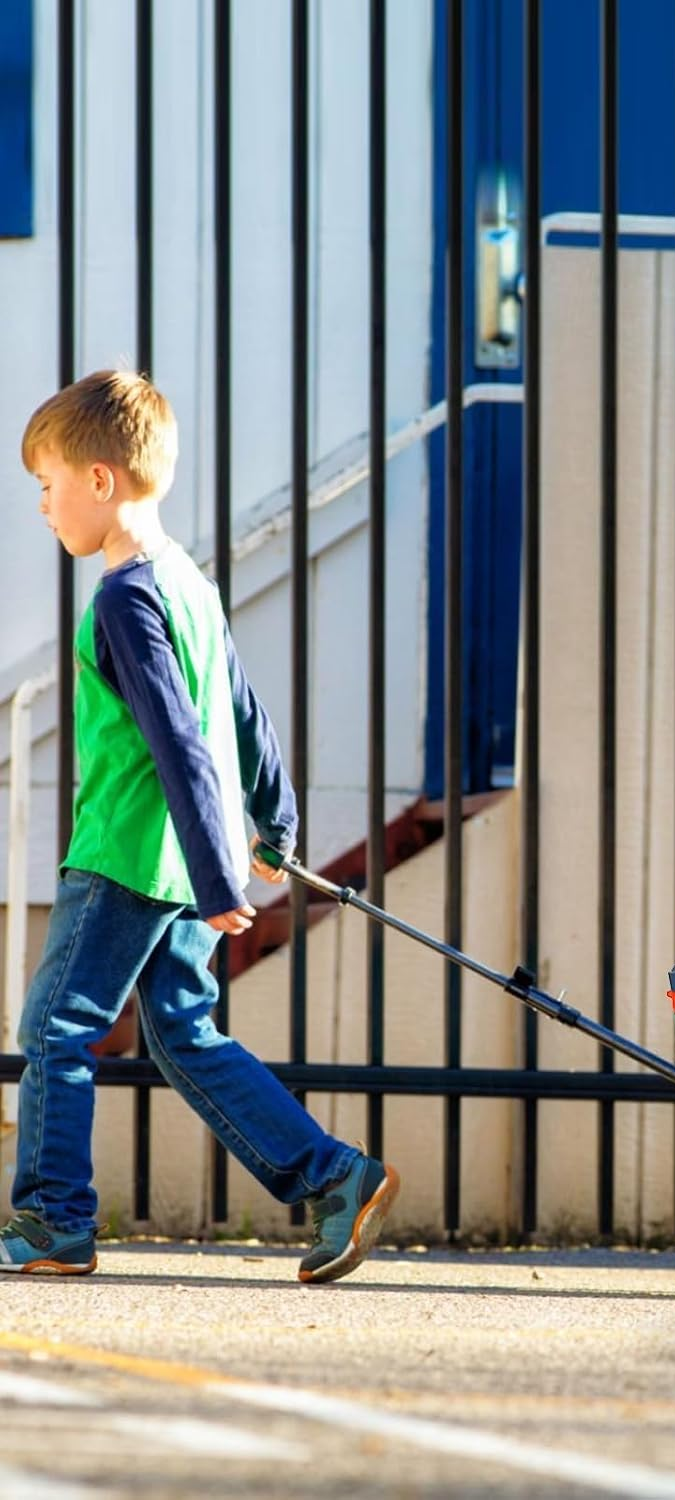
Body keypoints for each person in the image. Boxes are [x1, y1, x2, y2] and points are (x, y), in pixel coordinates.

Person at [3, 369, 399, 1280]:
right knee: (185, 1034)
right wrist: (276, 820)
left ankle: (52, 1221)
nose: (43, 507)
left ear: (100, 481)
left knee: (58, 1028)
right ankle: (336, 1177)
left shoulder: (125, 600)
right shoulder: (186, 582)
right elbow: (241, 709)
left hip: (128, 857)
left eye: (48, 485)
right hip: (183, 865)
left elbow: (180, 741)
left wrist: (226, 872)